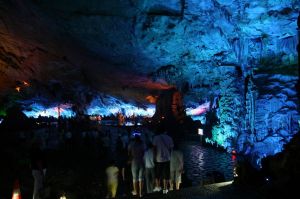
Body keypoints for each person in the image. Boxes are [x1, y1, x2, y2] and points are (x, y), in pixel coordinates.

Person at [152, 128, 174, 194]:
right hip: (167, 159)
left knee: (157, 174)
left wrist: (154, 157)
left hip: (158, 159)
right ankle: (165, 189)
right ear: (165, 131)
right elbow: (171, 149)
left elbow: (154, 148)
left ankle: (158, 187)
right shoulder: (169, 138)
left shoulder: (156, 138)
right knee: (166, 175)